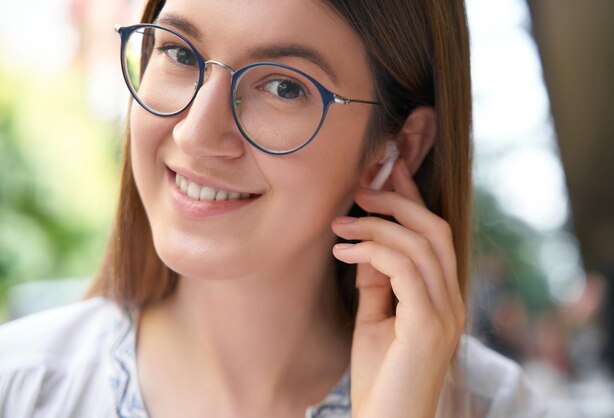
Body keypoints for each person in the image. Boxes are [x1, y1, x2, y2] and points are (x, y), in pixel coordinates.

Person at [0, 0, 547, 417]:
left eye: (285, 87)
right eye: (179, 53)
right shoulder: (18, 385)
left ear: (396, 146)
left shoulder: (496, 406)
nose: (196, 133)